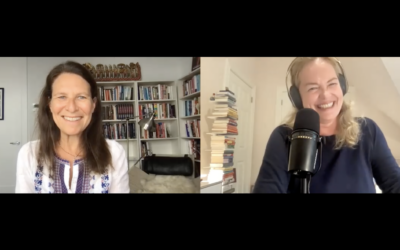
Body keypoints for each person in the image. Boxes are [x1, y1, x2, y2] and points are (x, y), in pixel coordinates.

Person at [253, 57, 400, 193]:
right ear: (297, 97)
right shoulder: (283, 137)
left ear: (342, 86)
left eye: (332, 84)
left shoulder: (368, 130)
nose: (325, 94)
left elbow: (395, 183)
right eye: (313, 88)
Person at [15, 61, 130, 193]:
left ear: (93, 104)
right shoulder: (29, 154)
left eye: (81, 97)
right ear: (49, 103)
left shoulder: (114, 153)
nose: (72, 107)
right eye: (62, 97)